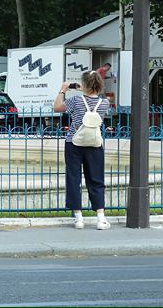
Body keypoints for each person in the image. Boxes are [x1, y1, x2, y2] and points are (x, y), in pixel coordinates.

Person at [53, 70, 111, 230]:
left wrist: (63, 90)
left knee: (73, 177)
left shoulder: (76, 101)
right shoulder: (104, 103)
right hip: (94, 143)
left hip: (74, 142)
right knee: (96, 179)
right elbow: (95, 96)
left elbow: (57, 107)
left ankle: (78, 218)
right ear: (99, 84)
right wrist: (87, 88)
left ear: (83, 84)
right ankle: (101, 218)